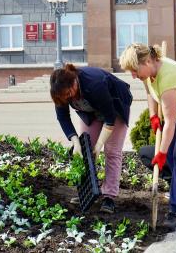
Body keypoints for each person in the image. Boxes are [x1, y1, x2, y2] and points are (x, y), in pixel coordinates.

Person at [119, 43, 176, 229]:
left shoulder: (168, 77)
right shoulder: (147, 72)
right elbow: (150, 93)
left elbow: (169, 122)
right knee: (171, 154)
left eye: (135, 71)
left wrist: (160, 154)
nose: (133, 76)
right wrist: (153, 115)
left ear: (147, 61)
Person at [50, 64, 132, 213]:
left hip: (115, 107)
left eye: (69, 94)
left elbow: (110, 118)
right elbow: (63, 118)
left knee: (112, 151)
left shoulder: (94, 83)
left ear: (74, 82)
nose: (68, 98)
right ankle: (86, 192)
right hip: (91, 111)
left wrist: (99, 145)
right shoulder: (60, 92)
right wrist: (76, 144)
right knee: (84, 150)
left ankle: (109, 197)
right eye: (64, 97)